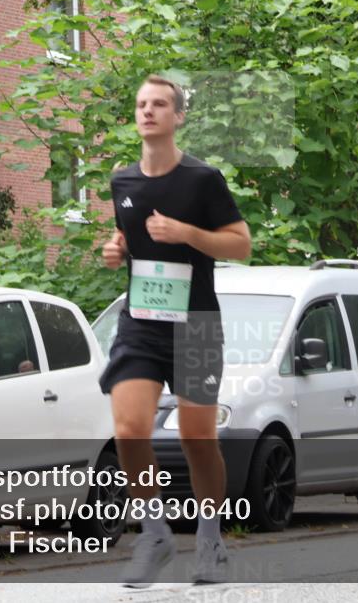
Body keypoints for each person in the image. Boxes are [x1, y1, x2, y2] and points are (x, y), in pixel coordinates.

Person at [100, 75, 251, 586]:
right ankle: (155, 532)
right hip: (141, 322)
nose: (148, 111)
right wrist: (116, 249)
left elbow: (240, 245)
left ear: (178, 116)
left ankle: (210, 537)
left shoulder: (203, 179)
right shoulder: (122, 181)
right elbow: (126, 238)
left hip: (198, 324)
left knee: (197, 438)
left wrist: (186, 233)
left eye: (159, 104)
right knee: (129, 430)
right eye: (141, 103)